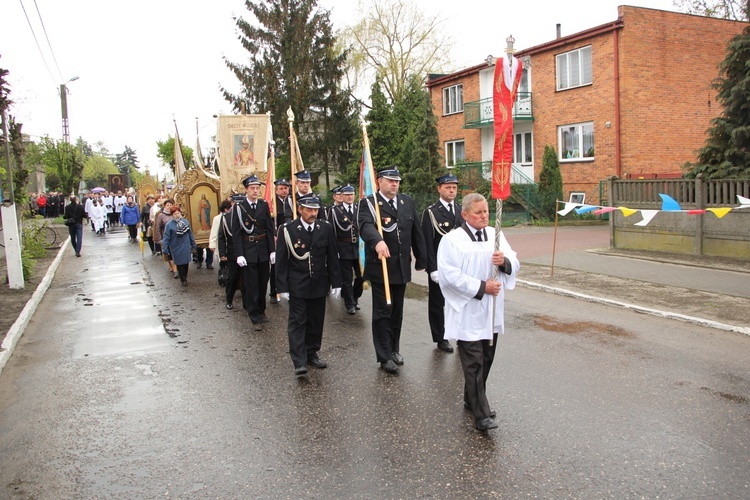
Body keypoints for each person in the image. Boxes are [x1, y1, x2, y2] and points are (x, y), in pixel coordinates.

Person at [437, 193, 520, 432]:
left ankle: (470, 398)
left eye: (486, 211)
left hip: (491, 311)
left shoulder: (495, 235)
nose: (484, 216)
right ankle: (481, 414)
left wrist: (503, 261)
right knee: (473, 361)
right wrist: (482, 287)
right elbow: (449, 275)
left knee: (486, 358)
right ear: (464, 215)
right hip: (468, 310)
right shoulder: (452, 240)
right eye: (478, 212)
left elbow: (514, 261)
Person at [357, 166, 427, 374]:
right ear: (379, 182)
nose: (394, 184)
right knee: (383, 312)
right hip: (381, 268)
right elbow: (364, 226)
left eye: (397, 181)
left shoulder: (407, 202)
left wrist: (422, 258)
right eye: (390, 180)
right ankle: (384, 355)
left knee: (397, 312)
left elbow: (416, 231)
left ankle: (394, 348)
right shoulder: (369, 204)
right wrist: (377, 241)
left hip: (401, 267)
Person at [275, 194, 342, 376]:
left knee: (316, 321)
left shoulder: (325, 228)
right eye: (309, 210)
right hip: (297, 283)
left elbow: (332, 257)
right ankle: (299, 360)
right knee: (297, 322)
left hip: (319, 283)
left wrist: (336, 283)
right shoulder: (287, 230)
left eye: (315, 210)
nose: (313, 213)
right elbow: (281, 261)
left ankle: (312, 352)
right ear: (300, 209)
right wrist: (282, 288)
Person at [421, 172, 464, 353]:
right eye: (448, 187)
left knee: (461, 301)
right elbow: (427, 243)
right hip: (440, 266)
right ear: (439, 189)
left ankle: (461, 334)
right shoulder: (431, 212)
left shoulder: (462, 210)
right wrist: (432, 268)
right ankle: (441, 337)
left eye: (454, 187)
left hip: (459, 266)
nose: (451, 190)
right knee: (438, 304)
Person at [232, 175, 275, 329]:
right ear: (246, 190)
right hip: (248, 250)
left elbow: (269, 229)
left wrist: (272, 250)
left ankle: (262, 309)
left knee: (263, 282)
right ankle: (254, 315)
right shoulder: (239, 207)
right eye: (252, 188)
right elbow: (236, 233)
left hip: (263, 249)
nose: (256, 191)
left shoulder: (263, 205)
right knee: (252, 284)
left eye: (257, 188)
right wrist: (240, 254)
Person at [330, 184, 363, 314]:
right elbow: (332, 233)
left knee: (361, 276)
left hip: (358, 249)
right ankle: (349, 303)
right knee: (347, 278)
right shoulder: (335, 211)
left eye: (352, 194)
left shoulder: (359, 209)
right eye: (347, 194)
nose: (350, 197)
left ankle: (355, 297)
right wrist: (334, 251)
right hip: (343, 247)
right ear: (341, 196)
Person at [269, 178, 294, 304]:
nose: (284, 191)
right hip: (277, 236)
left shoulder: (292, 201)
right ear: (276, 190)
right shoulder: (271, 203)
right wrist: (273, 235)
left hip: (290, 235)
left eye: (286, 188)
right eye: (282, 188)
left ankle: (290, 289)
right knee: (276, 265)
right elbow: (268, 222)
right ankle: (274, 291)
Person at [161, 205, 197, 286]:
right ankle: (183, 279)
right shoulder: (169, 225)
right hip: (176, 246)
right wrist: (165, 248)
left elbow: (190, 233)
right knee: (180, 263)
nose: (177, 215)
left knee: (186, 262)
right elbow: (166, 237)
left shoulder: (185, 222)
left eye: (178, 213)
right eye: (175, 214)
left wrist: (193, 243)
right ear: (172, 215)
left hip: (186, 245)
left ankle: (185, 276)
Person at [218, 198, 243, 309]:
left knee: (246, 278)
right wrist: (223, 253)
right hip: (233, 252)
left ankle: (247, 302)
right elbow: (222, 237)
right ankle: (229, 299)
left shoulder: (247, 216)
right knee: (232, 278)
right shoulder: (226, 218)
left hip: (247, 252)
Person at [154, 199, 179, 278]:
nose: (169, 207)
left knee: (176, 253)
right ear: (164, 206)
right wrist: (159, 239)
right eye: (167, 205)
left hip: (176, 237)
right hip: (166, 237)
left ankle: (176, 268)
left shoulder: (175, 213)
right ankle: (175, 270)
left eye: (170, 205)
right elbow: (157, 227)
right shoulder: (161, 215)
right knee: (169, 254)